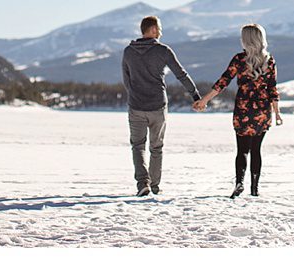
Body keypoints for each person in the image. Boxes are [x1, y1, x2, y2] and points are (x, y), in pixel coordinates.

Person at [193, 22, 282, 198]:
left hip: (243, 109)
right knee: (256, 150)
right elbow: (272, 88)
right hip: (262, 111)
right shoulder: (269, 61)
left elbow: (223, 82)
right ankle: (254, 188)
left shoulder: (239, 59)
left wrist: (204, 100)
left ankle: (239, 183)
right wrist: (277, 112)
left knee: (242, 150)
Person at [121, 14, 202, 196]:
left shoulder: (128, 51)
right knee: (156, 147)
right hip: (158, 106)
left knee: (138, 146)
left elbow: (127, 80)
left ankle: (143, 183)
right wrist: (195, 95)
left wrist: (135, 95)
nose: (161, 31)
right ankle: (154, 185)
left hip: (136, 106)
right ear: (153, 30)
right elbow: (181, 74)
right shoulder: (163, 50)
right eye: (159, 27)